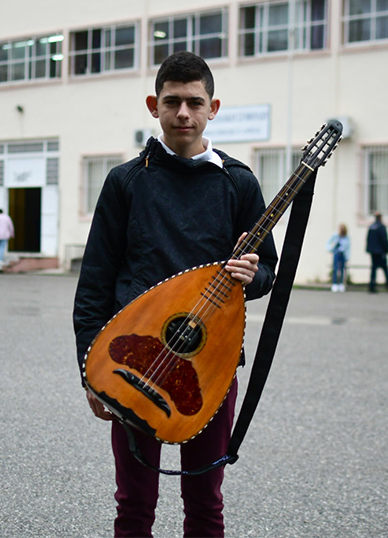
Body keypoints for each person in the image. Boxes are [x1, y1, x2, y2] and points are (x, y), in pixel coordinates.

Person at [72, 51, 277, 537]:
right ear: (153, 105)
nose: (183, 113)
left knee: (205, 502)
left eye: (194, 102)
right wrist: (89, 368)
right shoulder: (126, 182)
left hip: (211, 364)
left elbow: (269, 270)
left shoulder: (238, 182)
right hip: (134, 362)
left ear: (213, 108)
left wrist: (254, 274)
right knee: (134, 502)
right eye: (172, 102)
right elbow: (95, 283)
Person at [366, 211, 388, 293]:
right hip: (380, 251)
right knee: (385, 268)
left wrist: (369, 249)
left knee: (374, 268)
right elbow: (384, 239)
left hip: (373, 251)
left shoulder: (371, 227)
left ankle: (372, 285)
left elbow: (368, 239)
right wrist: (386, 249)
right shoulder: (381, 227)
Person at [326, 223, 350, 292]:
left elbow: (348, 248)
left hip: (343, 254)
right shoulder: (336, 236)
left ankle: (341, 284)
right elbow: (329, 242)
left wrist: (347, 257)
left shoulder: (346, 237)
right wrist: (330, 249)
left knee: (342, 269)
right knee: (335, 268)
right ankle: (335, 284)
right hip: (337, 253)